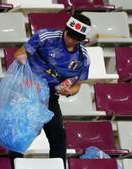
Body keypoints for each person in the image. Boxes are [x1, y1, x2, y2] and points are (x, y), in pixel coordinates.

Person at [11, 13, 91, 168]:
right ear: (65, 29)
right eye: (70, 35)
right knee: (19, 134)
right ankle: (15, 165)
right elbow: (19, 52)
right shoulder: (45, 36)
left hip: (50, 97)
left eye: (76, 38)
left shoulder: (83, 57)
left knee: (58, 137)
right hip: (27, 91)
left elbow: (78, 86)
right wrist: (22, 58)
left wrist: (68, 91)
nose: (71, 40)